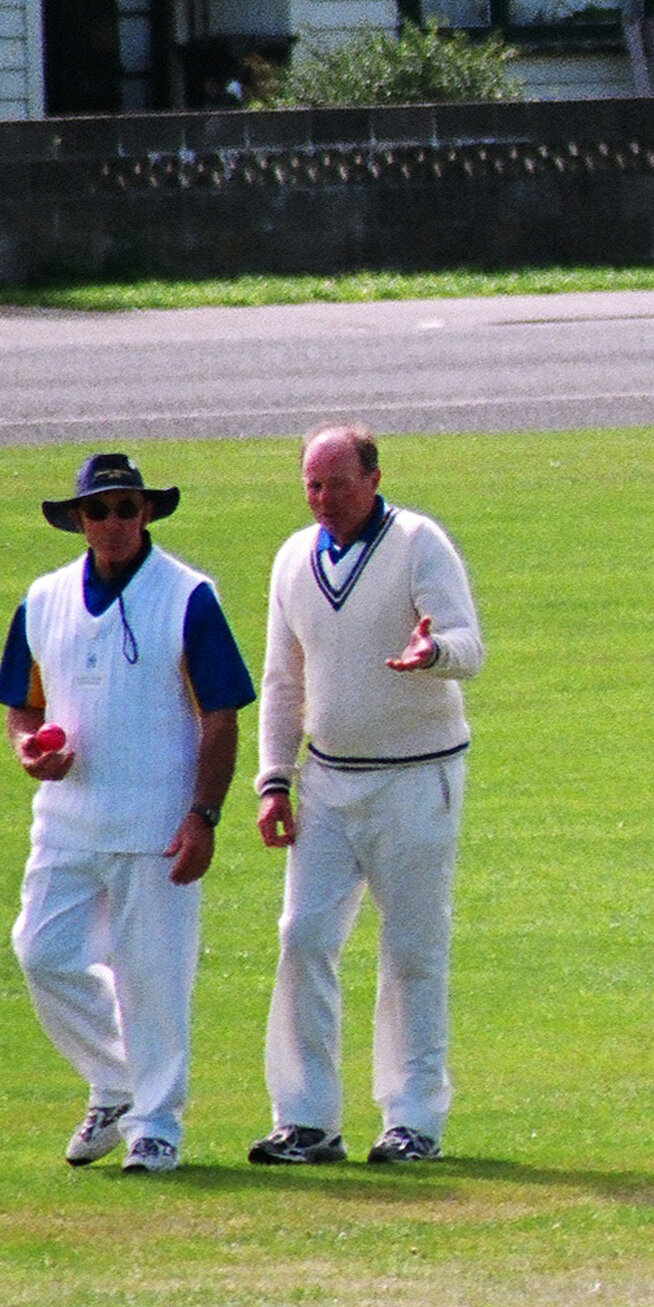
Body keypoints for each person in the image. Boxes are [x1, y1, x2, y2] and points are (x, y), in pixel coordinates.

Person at [0, 451, 254, 1175]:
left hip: (156, 823)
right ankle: (116, 1082)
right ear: (78, 519)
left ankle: (156, 1125)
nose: (113, 521)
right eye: (99, 509)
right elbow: (24, 704)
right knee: (41, 952)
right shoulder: (42, 599)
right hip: (68, 820)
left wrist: (204, 813)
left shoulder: (188, 595)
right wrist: (27, 750)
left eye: (126, 508)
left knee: (154, 978)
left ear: (146, 513)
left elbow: (222, 714)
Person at [247, 424, 486, 1170]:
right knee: (303, 937)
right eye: (312, 485)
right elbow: (283, 682)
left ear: (373, 478)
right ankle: (307, 1118)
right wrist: (273, 780)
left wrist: (432, 653)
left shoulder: (418, 543)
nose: (323, 500)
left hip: (418, 775)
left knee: (413, 947)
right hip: (327, 780)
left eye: (337, 484)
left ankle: (412, 1119)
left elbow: (468, 645)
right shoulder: (293, 557)